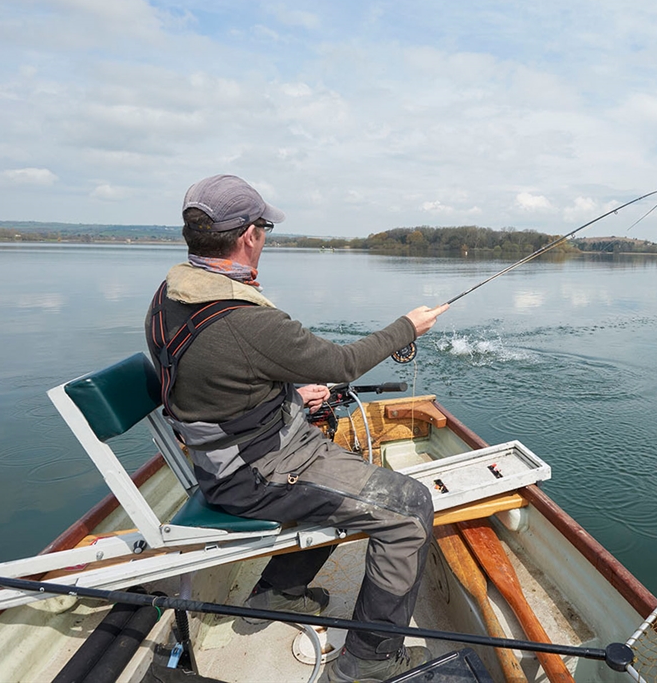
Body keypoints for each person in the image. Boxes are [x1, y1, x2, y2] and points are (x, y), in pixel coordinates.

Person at [145, 174, 448, 682]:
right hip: (258, 474)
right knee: (409, 509)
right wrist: (406, 327)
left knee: (353, 475)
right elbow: (342, 363)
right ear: (249, 235)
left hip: (231, 457)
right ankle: (369, 662)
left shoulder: (169, 294)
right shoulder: (247, 321)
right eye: (264, 227)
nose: (265, 236)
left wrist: (289, 393)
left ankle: (281, 593)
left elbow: (217, 379)